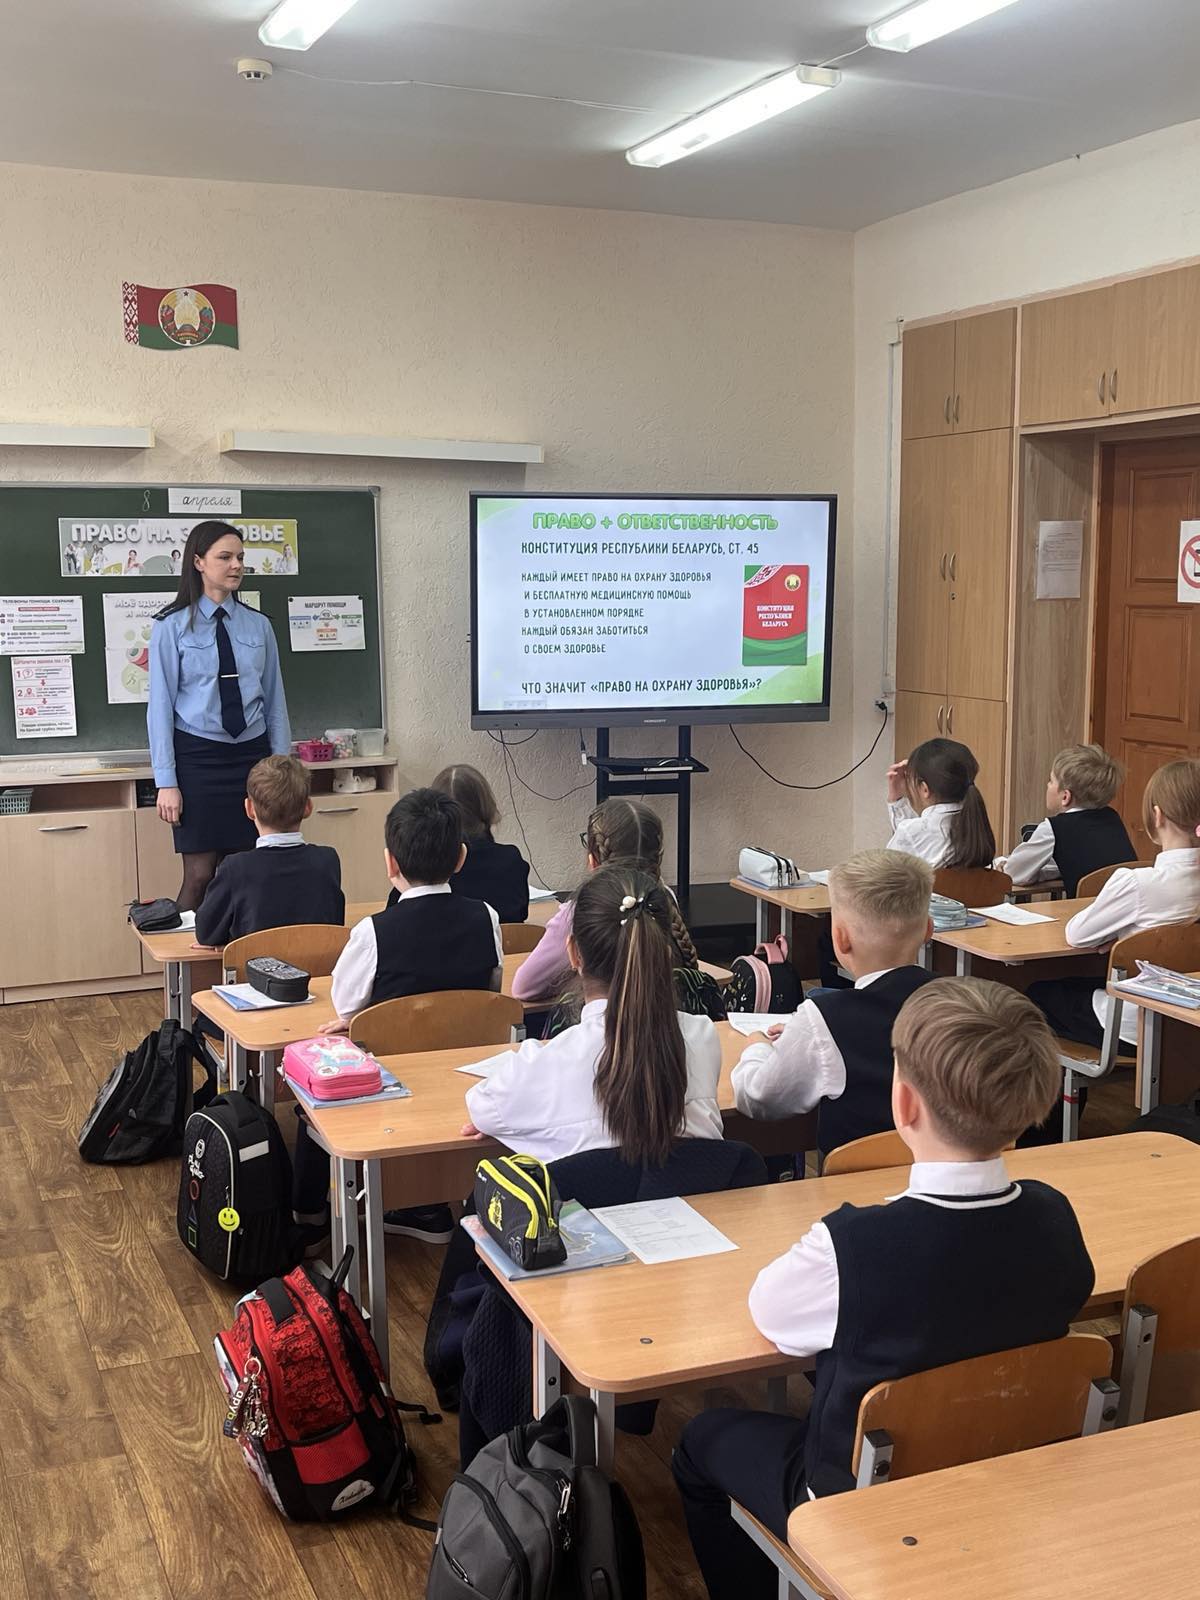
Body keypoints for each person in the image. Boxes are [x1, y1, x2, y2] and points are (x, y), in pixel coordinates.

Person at [672, 978, 1095, 1600]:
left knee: (699, 1443)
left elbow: (771, 1312)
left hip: (860, 1502)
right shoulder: (1055, 1217)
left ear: (904, 1103)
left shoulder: (851, 1247)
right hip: (1008, 1468)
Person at [291, 788, 503, 1245]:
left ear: (390, 863)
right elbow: (489, 992)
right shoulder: (486, 917)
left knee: (307, 1098)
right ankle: (429, 1203)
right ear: (461, 858)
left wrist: (367, 1021)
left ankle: (309, 1218)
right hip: (464, 1078)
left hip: (391, 1085)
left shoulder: (373, 931)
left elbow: (345, 1007)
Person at [462, 865, 724, 1163]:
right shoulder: (703, 1037)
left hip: (589, 1196)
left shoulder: (544, 1064)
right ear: (662, 954)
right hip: (695, 1194)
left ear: (574, 954)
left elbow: (483, 1107)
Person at [732, 850, 935, 1160]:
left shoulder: (824, 1018)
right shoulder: (963, 1002)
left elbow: (759, 1097)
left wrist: (756, 1046)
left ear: (839, 938)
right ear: (929, 930)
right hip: (944, 1169)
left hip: (860, 1181)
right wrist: (806, 1033)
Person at [148, 520, 291, 911]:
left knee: (245, 873)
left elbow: (275, 701)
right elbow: (159, 708)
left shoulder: (259, 626)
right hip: (198, 759)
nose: (236, 565)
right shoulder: (170, 627)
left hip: (252, 758)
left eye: (240, 557)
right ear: (198, 562)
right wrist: (166, 781)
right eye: (225, 557)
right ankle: (184, 953)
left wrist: (282, 770)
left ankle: (240, 950)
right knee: (199, 876)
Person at [1028, 759, 1200, 1049]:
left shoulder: (1137, 882)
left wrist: (1119, 936)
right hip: (1188, 1026)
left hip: (1135, 1025)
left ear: (1157, 816)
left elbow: (1077, 934)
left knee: (1035, 993)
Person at [511, 798, 716, 1016]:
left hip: (599, 1025)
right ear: (658, 858)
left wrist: (579, 976)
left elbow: (524, 987)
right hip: (667, 1022)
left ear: (593, 860)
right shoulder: (662, 898)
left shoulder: (580, 912)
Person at [193, 754, 344, 949]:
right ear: (308, 807)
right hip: (317, 968)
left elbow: (206, 933)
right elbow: (333, 924)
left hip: (255, 968)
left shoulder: (235, 868)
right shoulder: (327, 860)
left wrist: (233, 943)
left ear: (249, 809)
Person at [385, 763, 530, 924]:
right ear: (485, 807)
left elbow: (393, 917)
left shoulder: (426, 866)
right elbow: (520, 914)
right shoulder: (511, 859)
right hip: (504, 941)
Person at [998, 743, 1134, 895]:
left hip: (1086, 907)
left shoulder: (1054, 828)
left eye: (1051, 781)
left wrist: (1004, 865)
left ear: (1065, 796)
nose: (1047, 785)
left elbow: (1014, 873)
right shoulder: (1112, 817)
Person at [884, 736, 995, 869]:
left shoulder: (911, 831)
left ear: (925, 789)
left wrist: (897, 801)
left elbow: (886, 875)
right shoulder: (974, 825)